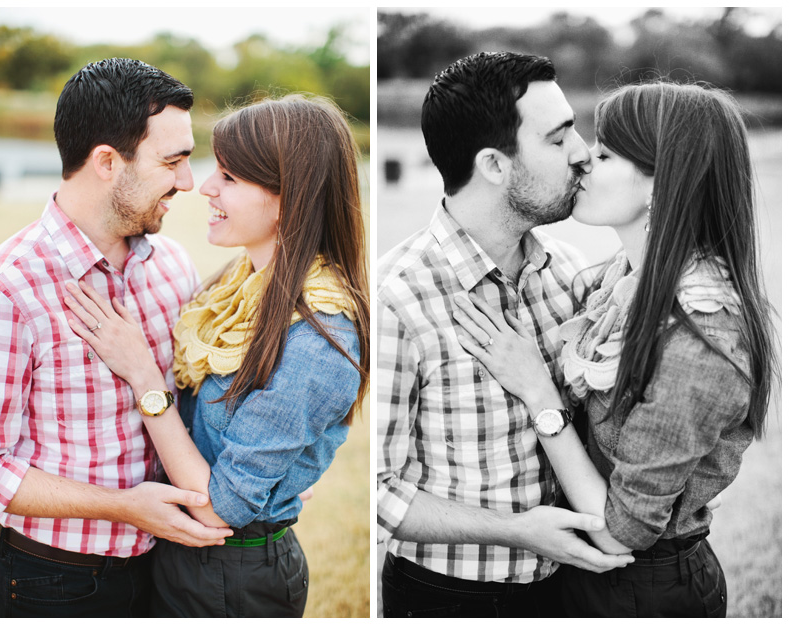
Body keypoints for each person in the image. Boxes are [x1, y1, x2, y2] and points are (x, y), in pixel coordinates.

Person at [454, 81, 778, 617]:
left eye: (604, 153)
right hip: (584, 580)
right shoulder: (616, 284)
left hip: (643, 593)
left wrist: (539, 394)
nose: (581, 159)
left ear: (661, 181)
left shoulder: (702, 335)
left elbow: (622, 533)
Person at [63, 93, 370, 617]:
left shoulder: (318, 336)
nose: (203, 186)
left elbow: (220, 507)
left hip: (233, 577)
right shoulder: (234, 288)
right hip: (182, 558)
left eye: (229, 176)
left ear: (288, 196)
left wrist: (144, 377)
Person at [0, 58, 235, 619]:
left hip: (168, 570)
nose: (189, 182)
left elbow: (191, 403)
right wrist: (125, 508)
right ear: (107, 162)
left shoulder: (172, 265)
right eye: (173, 161)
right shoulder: (5, 288)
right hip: (52, 582)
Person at [376, 51, 633, 619]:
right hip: (447, 598)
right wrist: (518, 532)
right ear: (494, 164)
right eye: (560, 137)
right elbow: (377, 489)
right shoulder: (398, 296)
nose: (583, 153)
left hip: (569, 587)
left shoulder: (569, 269)